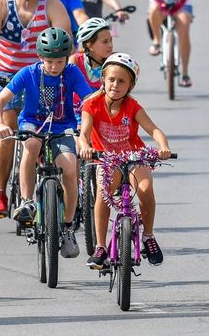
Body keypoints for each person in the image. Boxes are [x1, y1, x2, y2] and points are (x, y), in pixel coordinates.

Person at [0, 0, 71, 217]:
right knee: (7, 130)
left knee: (47, 127)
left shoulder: (52, 4)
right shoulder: (1, 4)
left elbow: (65, 39)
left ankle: (47, 183)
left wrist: (64, 69)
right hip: (6, 73)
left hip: (42, 73)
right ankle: (0, 193)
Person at [0, 27, 91, 258]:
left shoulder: (73, 73)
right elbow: (0, 100)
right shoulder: (28, 73)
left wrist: (83, 130)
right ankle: (27, 202)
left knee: (68, 166)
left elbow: (88, 101)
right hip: (32, 123)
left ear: (66, 58)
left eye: (59, 61)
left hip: (62, 126)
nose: (54, 66)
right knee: (32, 144)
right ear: (40, 57)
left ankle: (67, 227)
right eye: (49, 61)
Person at [78, 53, 172, 268]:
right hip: (106, 158)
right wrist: (85, 147)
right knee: (103, 194)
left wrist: (163, 146)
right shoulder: (91, 104)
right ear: (103, 78)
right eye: (111, 79)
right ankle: (100, 247)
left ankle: (148, 236)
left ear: (130, 86)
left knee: (146, 189)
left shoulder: (132, 106)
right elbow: (83, 133)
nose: (115, 85)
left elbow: (154, 130)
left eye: (122, 81)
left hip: (133, 156)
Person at [73, 18, 114, 91]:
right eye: (105, 42)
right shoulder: (75, 61)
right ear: (90, 46)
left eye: (111, 40)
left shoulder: (114, 63)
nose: (110, 45)